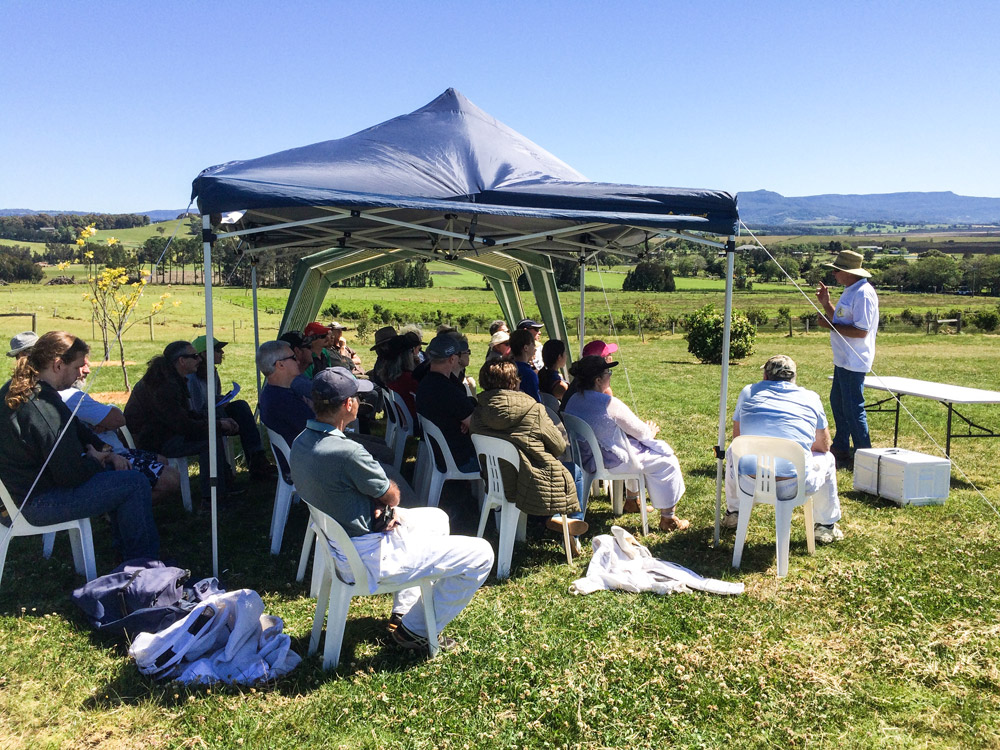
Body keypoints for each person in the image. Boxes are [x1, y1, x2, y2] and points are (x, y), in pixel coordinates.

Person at [290, 367, 493, 652]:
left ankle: (405, 613)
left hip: (341, 542)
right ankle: (416, 630)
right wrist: (381, 503)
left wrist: (371, 505)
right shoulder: (347, 451)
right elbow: (392, 495)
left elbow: (345, 490)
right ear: (349, 405)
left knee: (437, 518)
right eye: (358, 397)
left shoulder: (301, 442)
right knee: (482, 554)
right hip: (366, 556)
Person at [0, 331, 159, 560]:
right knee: (134, 483)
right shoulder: (40, 407)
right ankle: (144, 565)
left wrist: (106, 452)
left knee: (119, 473)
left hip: (20, 495)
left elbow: (76, 427)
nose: (79, 374)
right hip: (33, 504)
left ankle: (129, 555)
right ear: (57, 365)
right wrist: (96, 459)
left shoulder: (29, 388)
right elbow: (71, 475)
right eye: (76, 367)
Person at [258, 342, 412, 493]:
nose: (298, 360)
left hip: (311, 452)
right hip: (315, 460)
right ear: (280, 365)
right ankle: (383, 495)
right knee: (385, 454)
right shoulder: (282, 400)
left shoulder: (276, 393)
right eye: (292, 357)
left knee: (379, 444)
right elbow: (321, 427)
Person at [721, 355, 843, 544]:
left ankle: (734, 512)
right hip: (794, 484)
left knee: (733, 450)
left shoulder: (748, 392)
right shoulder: (811, 398)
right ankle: (825, 525)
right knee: (826, 458)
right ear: (793, 377)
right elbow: (824, 445)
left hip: (748, 481)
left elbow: (738, 438)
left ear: (765, 375)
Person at [564, 356, 689, 532]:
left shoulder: (574, 399)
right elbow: (641, 432)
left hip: (586, 458)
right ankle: (668, 518)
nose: (610, 376)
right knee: (668, 462)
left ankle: (632, 500)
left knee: (631, 446)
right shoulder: (609, 403)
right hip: (611, 462)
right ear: (598, 380)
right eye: (608, 372)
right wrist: (650, 431)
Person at [470, 360, 587, 545]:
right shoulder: (533, 408)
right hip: (532, 482)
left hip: (496, 481)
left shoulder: (478, 410)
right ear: (514, 383)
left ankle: (554, 518)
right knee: (574, 472)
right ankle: (571, 531)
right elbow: (559, 446)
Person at [125, 341, 237, 502]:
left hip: (163, 433)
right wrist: (217, 425)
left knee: (212, 433)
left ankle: (223, 488)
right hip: (153, 442)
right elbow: (183, 425)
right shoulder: (165, 386)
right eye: (194, 356)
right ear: (181, 361)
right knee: (210, 440)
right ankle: (213, 498)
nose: (199, 359)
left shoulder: (171, 378)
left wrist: (217, 421)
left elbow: (184, 416)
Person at [59, 364, 180, 502]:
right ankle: (115, 507)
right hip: (108, 455)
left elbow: (114, 418)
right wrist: (106, 419)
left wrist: (105, 420)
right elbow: (118, 419)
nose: (87, 370)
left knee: (162, 460)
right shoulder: (72, 396)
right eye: (81, 365)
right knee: (172, 479)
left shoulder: (68, 395)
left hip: (113, 451)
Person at [816, 249, 879, 467]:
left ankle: (864, 454)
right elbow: (841, 319)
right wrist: (826, 304)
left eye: (837, 270)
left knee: (853, 408)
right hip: (843, 359)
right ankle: (842, 446)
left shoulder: (863, 293)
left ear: (849, 272)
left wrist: (829, 325)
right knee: (838, 403)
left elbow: (861, 331)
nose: (834, 274)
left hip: (855, 361)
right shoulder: (850, 290)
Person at [188, 335, 275, 480]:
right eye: (218, 349)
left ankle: (256, 458)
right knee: (224, 412)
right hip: (200, 419)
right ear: (204, 354)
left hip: (213, 412)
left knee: (241, 406)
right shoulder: (192, 377)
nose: (222, 353)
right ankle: (225, 472)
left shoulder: (212, 372)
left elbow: (213, 396)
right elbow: (196, 409)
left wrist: (221, 399)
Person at [415, 333, 478, 474]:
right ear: (452, 359)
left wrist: (465, 418)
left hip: (440, 454)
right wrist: (468, 419)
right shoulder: (448, 391)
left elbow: (467, 416)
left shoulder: (426, 383)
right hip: (459, 459)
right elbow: (477, 425)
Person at [375, 333, 419, 421]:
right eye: (411, 351)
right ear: (406, 356)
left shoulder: (389, 375)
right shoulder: (408, 379)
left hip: (402, 419)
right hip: (416, 420)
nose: (414, 354)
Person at [508, 328, 540, 402]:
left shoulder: (507, 368)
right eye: (533, 344)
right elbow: (536, 401)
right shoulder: (529, 374)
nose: (534, 348)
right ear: (526, 348)